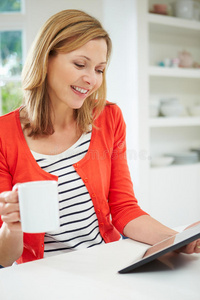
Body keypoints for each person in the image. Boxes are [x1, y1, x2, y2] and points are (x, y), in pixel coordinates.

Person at [0, 9, 199, 267]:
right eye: (80, 64)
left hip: (103, 267)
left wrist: (177, 240)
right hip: (41, 278)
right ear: (45, 59)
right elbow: (5, 257)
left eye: (99, 69)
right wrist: (13, 227)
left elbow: (124, 208)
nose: (91, 79)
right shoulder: (4, 135)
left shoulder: (109, 118)